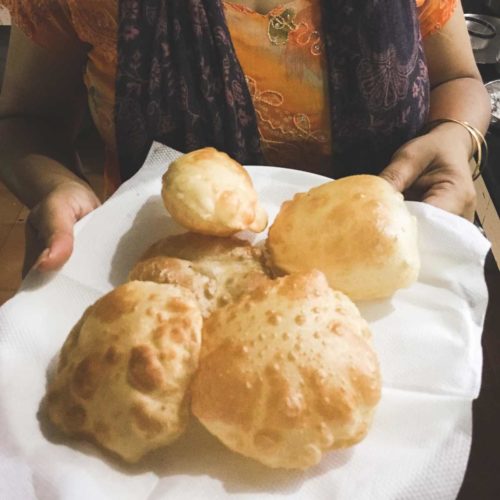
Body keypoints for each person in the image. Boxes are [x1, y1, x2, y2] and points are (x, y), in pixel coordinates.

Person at [0, 0, 491, 276]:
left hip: (389, 273)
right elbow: (25, 118)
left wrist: (456, 133)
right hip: (165, 279)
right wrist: (54, 186)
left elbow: (458, 80)